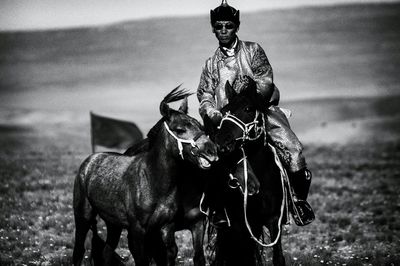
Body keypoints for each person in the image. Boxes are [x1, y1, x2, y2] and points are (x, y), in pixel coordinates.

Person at [197, 0, 314, 226]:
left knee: (294, 149)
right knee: (208, 157)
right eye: (219, 26)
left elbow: (265, 79)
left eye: (228, 26)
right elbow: (204, 93)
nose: (223, 31)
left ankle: (297, 202)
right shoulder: (210, 63)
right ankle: (215, 208)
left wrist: (251, 94)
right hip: (227, 120)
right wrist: (212, 111)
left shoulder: (253, 50)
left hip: (258, 112)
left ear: (236, 27)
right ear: (213, 28)